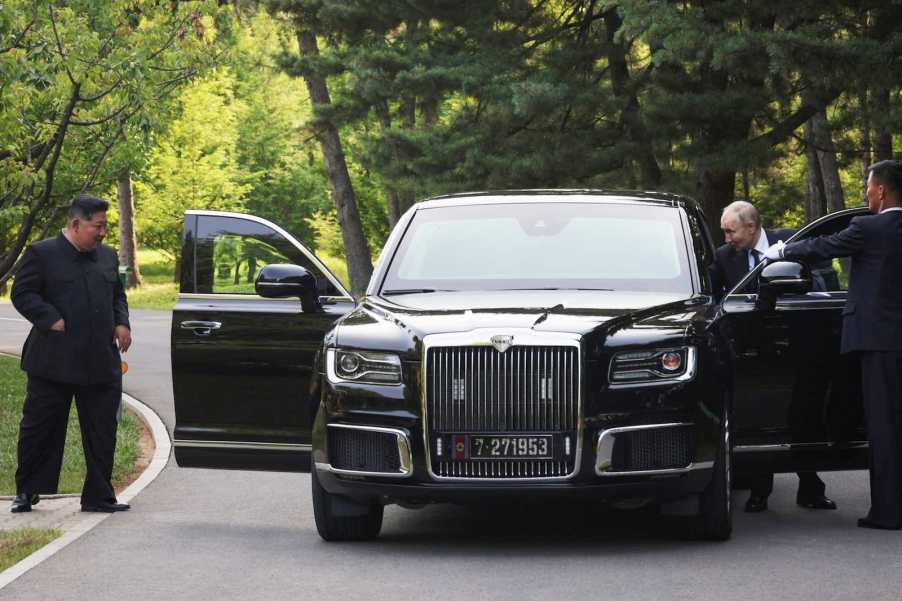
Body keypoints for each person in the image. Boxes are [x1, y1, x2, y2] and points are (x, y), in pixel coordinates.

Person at [766, 160, 902, 529]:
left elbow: (824, 246)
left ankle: (889, 513)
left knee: (885, 428)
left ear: (881, 191)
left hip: (880, 341)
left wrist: (782, 252)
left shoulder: (869, 228)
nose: (866, 193)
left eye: (868, 187)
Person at [711, 200, 837, 513]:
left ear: (751, 227)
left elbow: (825, 281)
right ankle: (759, 491)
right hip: (755, 347)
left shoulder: (793, 240)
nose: (727, 238)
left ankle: (810, 487)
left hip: (804, 342)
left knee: (804, 411)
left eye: (731, 231)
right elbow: (716, 299)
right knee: (759, 413)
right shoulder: (724, 257)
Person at [10, 194, 132, 513]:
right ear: (76, 224)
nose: (103, 232)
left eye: (106, 226)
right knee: (40, 429)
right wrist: (50, 318)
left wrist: (122, 323)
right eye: (98, 226)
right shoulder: (41, 253)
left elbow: (117, 295)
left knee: (102, 431)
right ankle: (27, 491)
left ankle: (99, 496)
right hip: (53, 362)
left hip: (100, 363)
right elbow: (21, 293)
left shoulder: (106, 256)